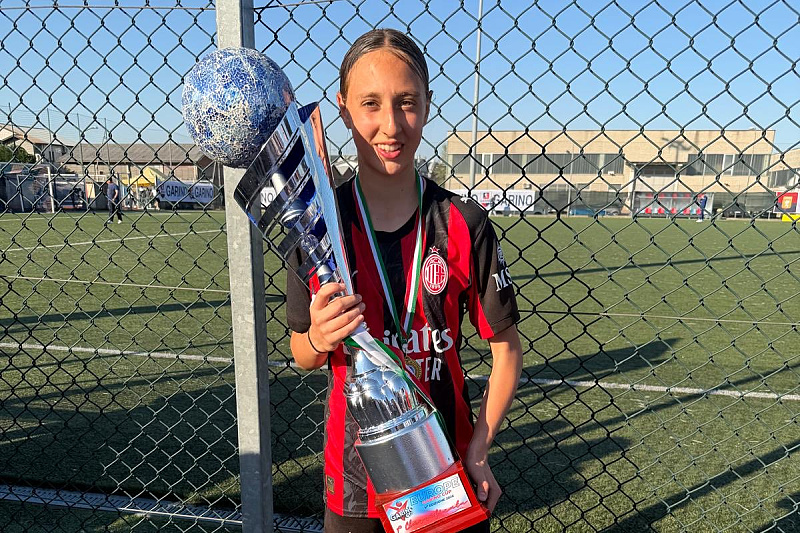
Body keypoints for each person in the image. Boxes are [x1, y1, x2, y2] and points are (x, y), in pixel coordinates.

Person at [286, 28, 523, 533]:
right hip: (355, 481)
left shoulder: (464, 223)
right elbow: (302, 353)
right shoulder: (317, 227)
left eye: (407, 102)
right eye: (370, 104)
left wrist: (480, 448)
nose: (391, 124)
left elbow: (507, 350)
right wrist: (319, 337)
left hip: (446, 468)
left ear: (428, 105)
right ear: (344, 109)